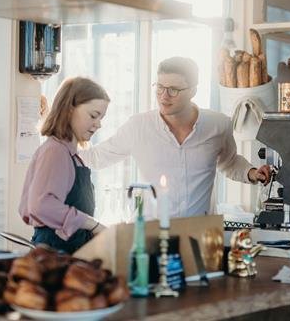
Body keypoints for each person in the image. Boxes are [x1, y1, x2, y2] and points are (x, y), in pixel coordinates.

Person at [80, 57, 271, 219]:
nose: (164, 96)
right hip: (151, 234)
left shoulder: (218, 125)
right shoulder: (138, 126)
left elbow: (229, 163)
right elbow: (96, 158)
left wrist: (252, 172)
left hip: (200, 235)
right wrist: (57, 151)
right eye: (160, 87)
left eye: (173, 90)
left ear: (193, 91)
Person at [19, 77, 110, 253]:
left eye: (101, 117)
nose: (99, 124)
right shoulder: (55, 151)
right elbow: (40, 205)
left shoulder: (72, 156)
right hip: (54, 256)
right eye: (93, 115)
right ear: (69, 110)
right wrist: (92, 224)